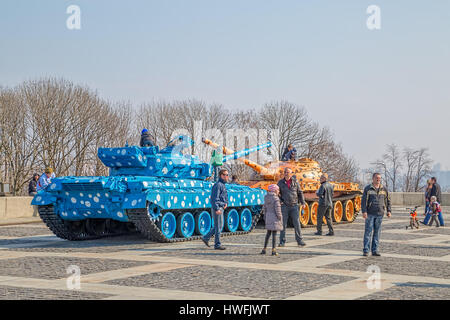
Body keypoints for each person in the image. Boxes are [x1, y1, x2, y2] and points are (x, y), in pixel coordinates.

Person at [361, 173, 391, 257]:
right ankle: (366, 250)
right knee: (368, 232)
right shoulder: (368, 188)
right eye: (377, 178)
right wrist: (364, 211)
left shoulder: (384, 188)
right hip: (370, 213)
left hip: (380, 213)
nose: (378, 179)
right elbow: (363, 201)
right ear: (373, 178)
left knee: (377, 233)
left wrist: (389, 210)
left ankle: (375, 250)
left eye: (379, 178)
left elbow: (388, 200)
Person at [277, 167, 306, 247]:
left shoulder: (295, 181)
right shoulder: (280, 182)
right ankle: (282, 241)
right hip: (285, 206)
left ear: (291, 173)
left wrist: (303, 202)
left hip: (294, 206)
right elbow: (276, 193)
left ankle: (299, 240)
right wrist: (280, 201)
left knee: (297, 224)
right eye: (285, 172)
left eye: (288, 172)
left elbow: (300, 192)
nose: (286, 173)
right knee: (283, 225)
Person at [202, 169, 229, 250]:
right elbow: (214, 198)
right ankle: (217, 244)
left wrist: (225, 203)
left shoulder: (222, 185)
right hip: (218, 208)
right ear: (221, 175)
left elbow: (223, 196)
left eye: (227, 175)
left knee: (218, 226)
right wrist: (217, 208)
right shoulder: (218, 185)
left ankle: (206, 238)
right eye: (225, 175)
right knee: (218, 227)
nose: (227, 176)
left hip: (221, 207)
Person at [261, 184, 283, 256]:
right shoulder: (276, 199)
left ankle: (264, 249)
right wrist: (280, 217)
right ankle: (274, 250)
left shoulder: (266, 197)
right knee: (274, 234)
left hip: (268, 216)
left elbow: (264, 208)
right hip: (274, 217)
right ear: (275, 190)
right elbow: (278, 210)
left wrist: (265, 216)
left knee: (268, 233)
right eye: (278, 190)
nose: (278, 191)